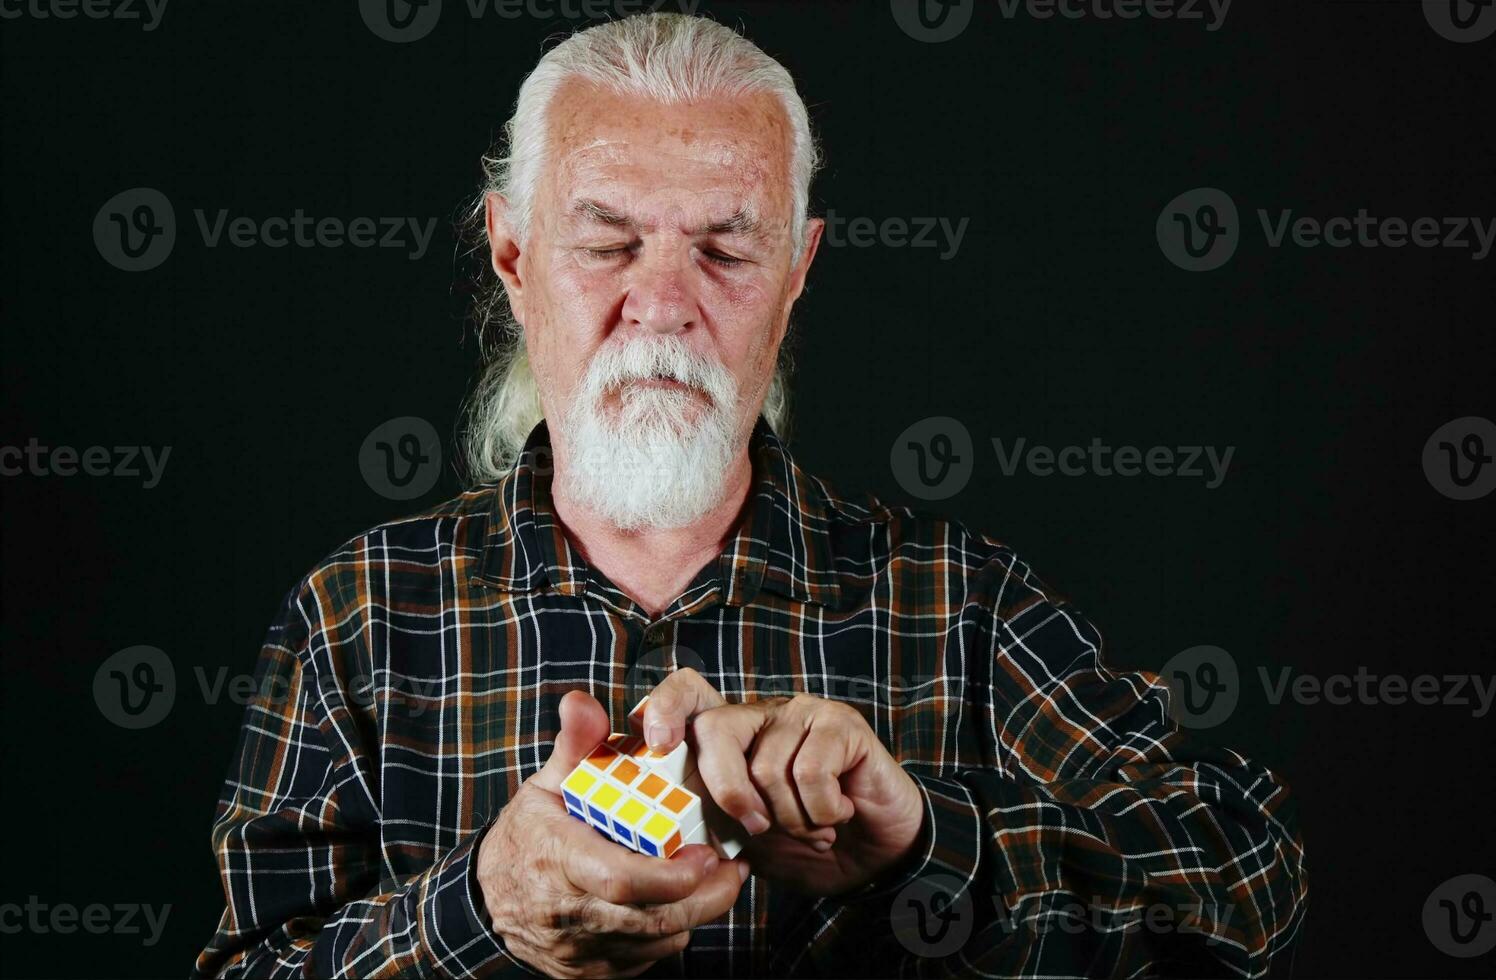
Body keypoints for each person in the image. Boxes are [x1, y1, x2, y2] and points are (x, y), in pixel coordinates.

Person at [193, 12, 1306, 978]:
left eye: (727, 250)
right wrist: (480, 916)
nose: (662, 304)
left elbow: (1242, 891)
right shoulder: (362, 614)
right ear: (513, 256)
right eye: (606, 242)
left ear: (798, 271)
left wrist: (922, 842)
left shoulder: (955, 604)